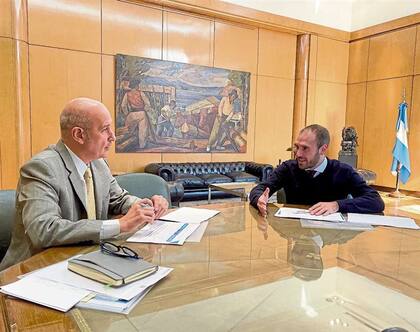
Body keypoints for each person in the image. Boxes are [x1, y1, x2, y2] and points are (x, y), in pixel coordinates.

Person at [0, 98, 168, 270]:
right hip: (34, 270)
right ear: (79, 135)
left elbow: (118, 199)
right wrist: (120, 225)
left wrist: (145, 206)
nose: (113, 136)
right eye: (105, 129)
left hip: (85, 261)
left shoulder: (98, 163)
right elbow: (44, 229)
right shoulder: (42, 168)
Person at [250, 124, 384, 217]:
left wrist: (337, 205)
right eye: (297, 147)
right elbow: (259, 190)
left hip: (329, 233)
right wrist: (259, 199)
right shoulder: (288, 168)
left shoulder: (343, 171)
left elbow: (375, 201)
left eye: (305, 148)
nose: (298, 154)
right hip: (293, 231)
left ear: (323, 149)